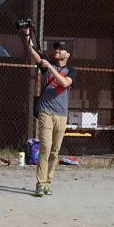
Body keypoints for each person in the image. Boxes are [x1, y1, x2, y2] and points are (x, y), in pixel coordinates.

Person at [25, 35, 75, 196]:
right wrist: (27, 34)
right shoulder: (47, 65)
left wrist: (51, 68)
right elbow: (32, 51)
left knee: (55, 150)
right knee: (45, 148)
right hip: (46, 112)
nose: (57, 51)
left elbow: (65, 83)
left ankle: (48, 181)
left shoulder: (71, 70)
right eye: (56, 48)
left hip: (61, 114)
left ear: (67, 54)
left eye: (61, 49)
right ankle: (40, 183)